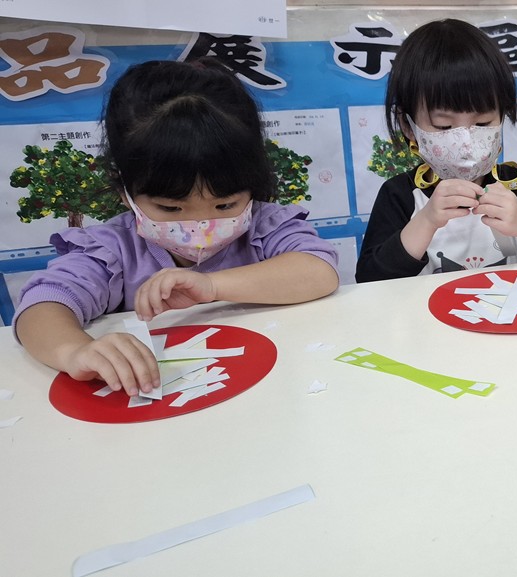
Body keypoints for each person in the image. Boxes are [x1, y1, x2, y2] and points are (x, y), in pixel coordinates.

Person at [14, 59, 340, 397]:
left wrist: (211, 286)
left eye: (225, 205)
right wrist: (75, 351)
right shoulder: (113, 249)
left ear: (252, 185)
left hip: (269, 390)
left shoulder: (265, 226)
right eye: (170, 208)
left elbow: (318, 270)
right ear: (124, 191)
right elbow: (42, 305)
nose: (199, 225)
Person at [355, 18, 517, 282]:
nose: (465, 143)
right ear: (408, 126)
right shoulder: (400, 195)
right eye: (444, 126)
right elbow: (369, 279)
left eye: (483, 123)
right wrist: (425, 221)